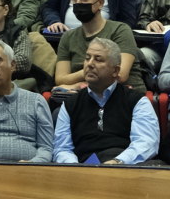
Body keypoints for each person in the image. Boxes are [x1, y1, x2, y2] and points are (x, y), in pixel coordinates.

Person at [53, 36, 158, 166]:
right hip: (82, 170)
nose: (90, 64)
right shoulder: (70, 104)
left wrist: (117, 162)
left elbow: (146, 143)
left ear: (115, 71)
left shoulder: (136, 101)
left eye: (98, 59)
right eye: (87, 58)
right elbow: (62, 149)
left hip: (125, 168)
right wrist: (76, 167)